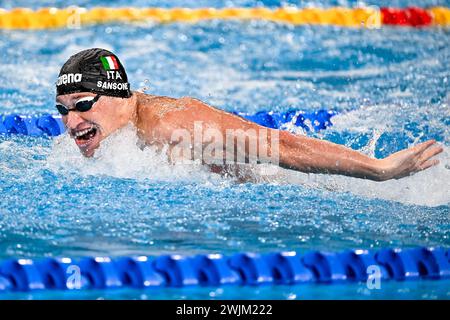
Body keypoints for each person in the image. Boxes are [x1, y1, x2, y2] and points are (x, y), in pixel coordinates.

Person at [55, 48, 442, 181]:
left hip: (282, 186)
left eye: (84, 105)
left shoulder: (175, 126)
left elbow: (279, 145)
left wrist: (378, 169)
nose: (72, 123)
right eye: (63, 110)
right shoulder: (113, 136)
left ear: (122, 96)